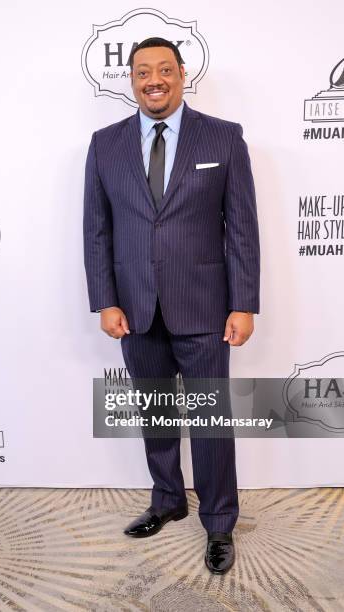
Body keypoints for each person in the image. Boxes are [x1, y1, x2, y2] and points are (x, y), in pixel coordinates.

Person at [83, 37, 260, 575]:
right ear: (131, 79)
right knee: (155, 412)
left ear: (182, 74)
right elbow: (97, 231)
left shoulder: (224, 137)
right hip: (135, 309)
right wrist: (105, 301)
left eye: (164, 70)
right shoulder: (105, 143)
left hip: (206, 308)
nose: (153, 80)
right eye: (142, 72)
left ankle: (220, 523)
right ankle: (167, 499)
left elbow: (242, 229)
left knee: (210, 422)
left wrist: (244, 303)